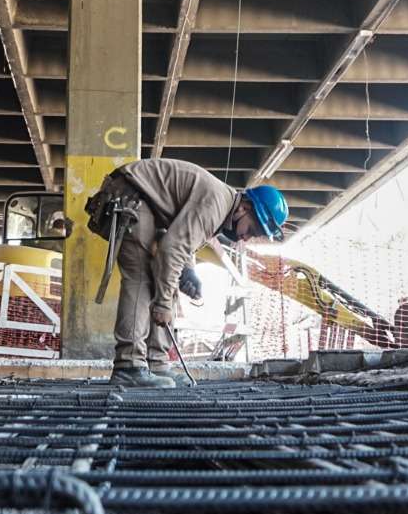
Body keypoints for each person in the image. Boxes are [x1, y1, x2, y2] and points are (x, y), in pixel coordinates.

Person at [98, 158, 288, 388]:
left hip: (145, 203)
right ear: (245, 208)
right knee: (143, 279)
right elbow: (171, 250)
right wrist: (163, 305)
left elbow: (181, 237)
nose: (247, 238)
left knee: (171, 276)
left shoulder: (221, 207)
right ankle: (129, 366)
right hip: (132, 195)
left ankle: (156, 363)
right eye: (252, 229)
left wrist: (188, 271)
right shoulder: (217, 204)